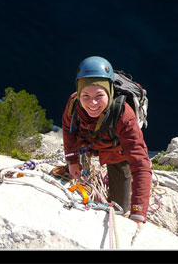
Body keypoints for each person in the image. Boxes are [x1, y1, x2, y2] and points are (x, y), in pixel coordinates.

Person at [61, 56, 152, 229]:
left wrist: (138, 212)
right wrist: (72, 161)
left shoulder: (124, 115)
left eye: (99, 95)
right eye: (85, 95)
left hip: (116, 153)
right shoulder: (74, 103)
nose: (92, 103)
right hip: (87, 145)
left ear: (109, 92)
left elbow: (140, 164)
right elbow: (68, 129)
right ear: (79, 93)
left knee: (119, 208)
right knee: (73, 176)